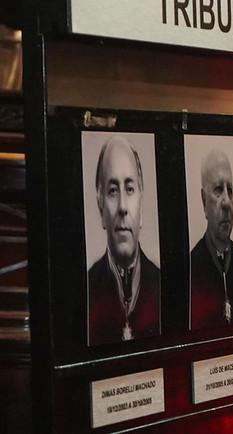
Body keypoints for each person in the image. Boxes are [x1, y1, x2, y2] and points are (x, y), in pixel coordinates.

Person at [87, 136, 159, 345]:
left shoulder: (162, 285)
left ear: (141, 204)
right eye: (113, 191)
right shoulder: (87, 289)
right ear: (101, 207)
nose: (122, 207)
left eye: (129, 189)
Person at [190, 149, 233, 329]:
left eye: (229, 191)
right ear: (204, 201)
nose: (226, 202)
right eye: (218, 190)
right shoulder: (192, 269)